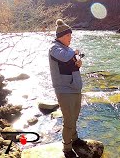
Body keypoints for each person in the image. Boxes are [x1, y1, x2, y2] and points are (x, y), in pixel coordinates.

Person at [48, 19, 86, 157]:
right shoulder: (54, 48)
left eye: (71, 35)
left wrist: (78, 64)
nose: (71, 38)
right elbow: (64, 58)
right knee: (68, 120)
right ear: (61, 36)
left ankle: (75, 139)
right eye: (69, 36)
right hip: (64, 90)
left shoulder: (67, 49)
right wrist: (74, 52)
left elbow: (70, 64)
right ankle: (67, 148)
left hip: (75, 87)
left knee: (74, 117)